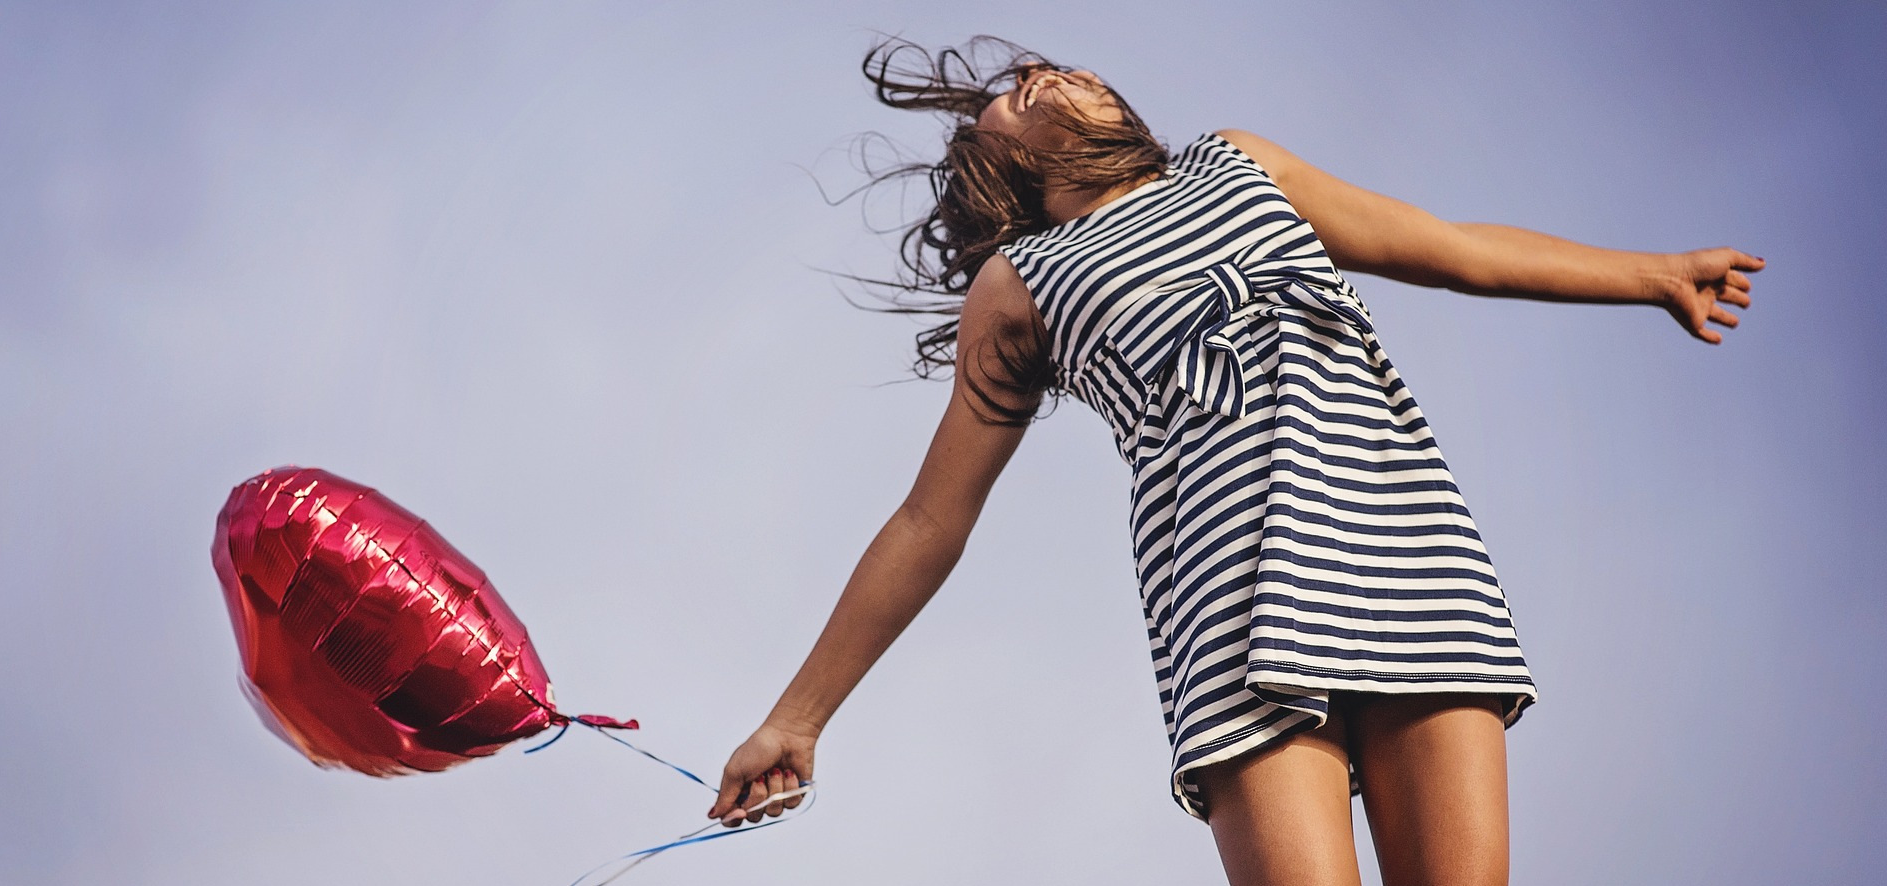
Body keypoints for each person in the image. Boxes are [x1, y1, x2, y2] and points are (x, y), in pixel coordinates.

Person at [706, 36, 1762, 885]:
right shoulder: (1020, 284)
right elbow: (930, 520)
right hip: (1229, 610)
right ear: (1007, 166)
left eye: (1050, 67)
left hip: (1401, 547)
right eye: (1023, 95)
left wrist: (1655, 272)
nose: (1047, 78)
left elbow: (1451, 247)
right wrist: (795, 719)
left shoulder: (1239, 162)